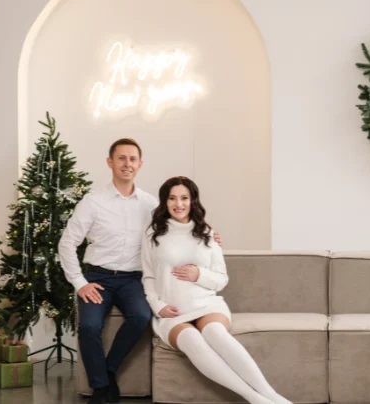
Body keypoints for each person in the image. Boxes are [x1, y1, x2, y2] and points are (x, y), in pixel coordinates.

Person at [58, 139, 220, 404]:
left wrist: (209, 235)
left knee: (141, 316)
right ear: (110, 162)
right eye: (121, 158)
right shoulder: (93, 202)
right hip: (97, 277)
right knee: (88, 326)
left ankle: (108, 370)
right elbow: (67, 243)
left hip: (133, 279)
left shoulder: (149, 204)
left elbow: (178, 225)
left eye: (132, 159)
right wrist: (80, 282)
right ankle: (101, 387)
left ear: (140, 164)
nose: (127, 164)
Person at [141, 176, 291, 404]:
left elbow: (221, 279)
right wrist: (158, 306)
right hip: (172, 313)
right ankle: (253, 398)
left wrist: (198, 274)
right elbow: (149, 276)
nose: (178, 204)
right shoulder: (152, 234)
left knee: (214, 333)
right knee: (191, 338)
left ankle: (270, 395)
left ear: (193, 201)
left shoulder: (206, 233)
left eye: (184, 198)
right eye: (172, 198)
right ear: (164, 201)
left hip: (206, 306)